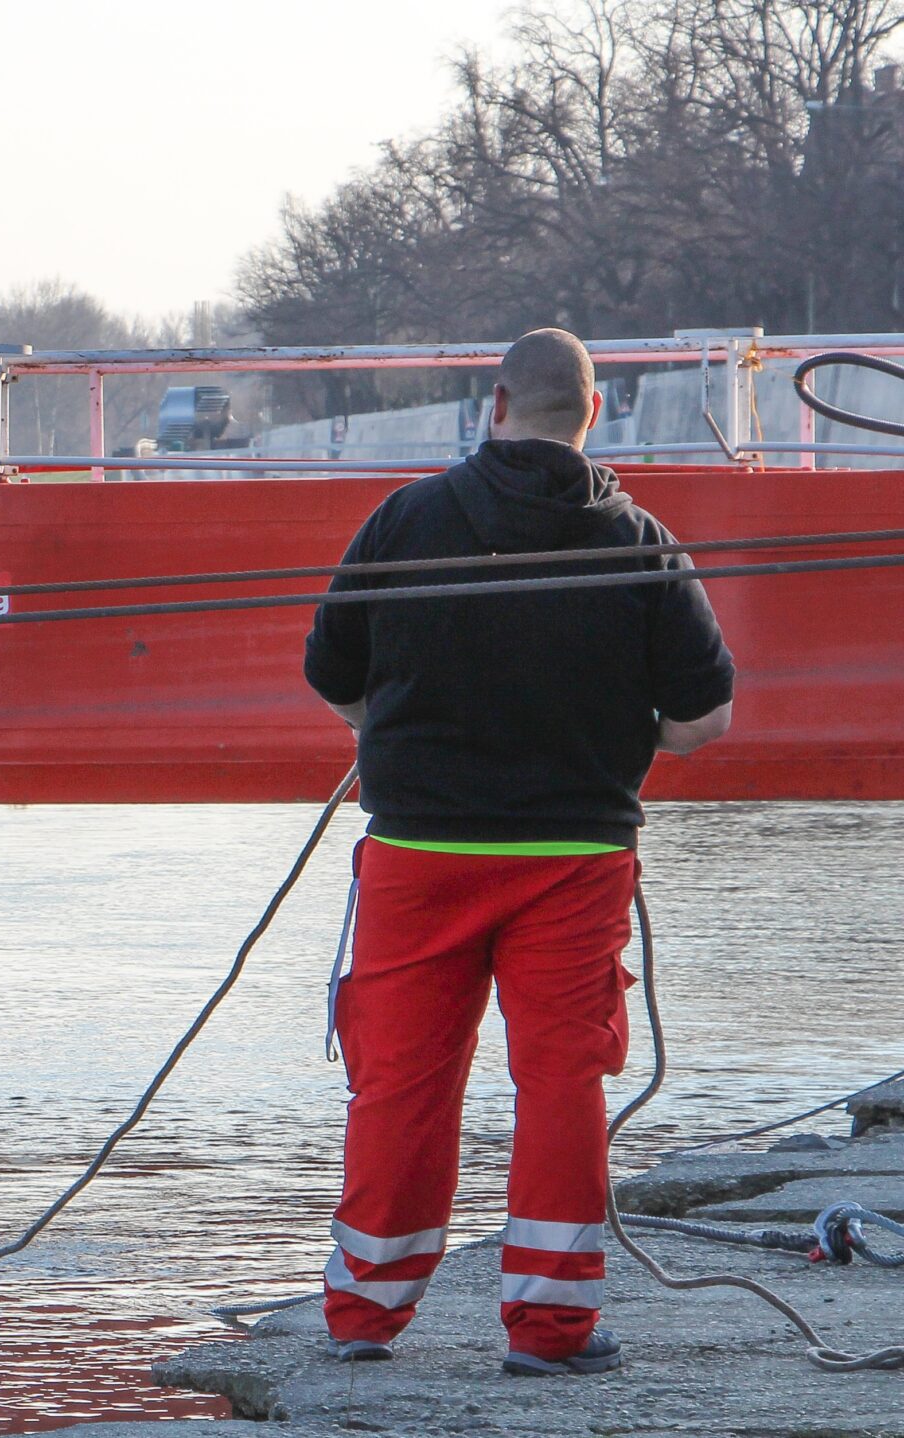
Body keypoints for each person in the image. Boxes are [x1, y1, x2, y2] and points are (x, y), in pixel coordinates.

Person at [303, 328, 737, 1377]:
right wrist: (608, 740)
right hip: (573, 855)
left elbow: (333, 676)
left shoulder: (406, 519)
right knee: (560, 1084)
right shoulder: (640, 540)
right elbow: (702, 719)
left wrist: (396, 736)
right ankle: (550, 1329)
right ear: (594, 413)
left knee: (400, 1083)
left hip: (419, 851)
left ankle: (364, 1314)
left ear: (494, 405)